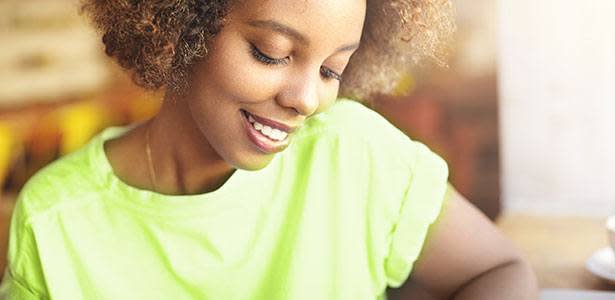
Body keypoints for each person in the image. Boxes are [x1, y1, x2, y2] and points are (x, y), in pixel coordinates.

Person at [0, 0, 538, 299]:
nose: (307, 99)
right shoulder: (57, 222)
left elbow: (502, 270)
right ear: (184, 23)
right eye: (271, 53)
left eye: (332, 70)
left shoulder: (352, 153)